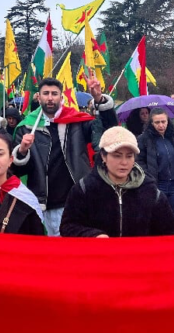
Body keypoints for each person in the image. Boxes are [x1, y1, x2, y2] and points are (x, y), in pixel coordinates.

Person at [12, 73, 118, 236]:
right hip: (42, 205)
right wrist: (22, 151)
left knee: (73, 254)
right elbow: (18, 171)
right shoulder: (26, 127)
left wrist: (99, 100)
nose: (50, 98)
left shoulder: (76, 122)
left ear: (61, 98)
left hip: (74, 202)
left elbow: (108, 129)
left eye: (54, 94)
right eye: (46, 94)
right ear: (38, 97)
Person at [60, 126, 174, 237]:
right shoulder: (84, 189)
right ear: (103, 156)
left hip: (138, 259)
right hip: (100, 259)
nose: (124, 162)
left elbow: (171, 234)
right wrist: (92, 235)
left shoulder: (151, 192)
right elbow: (68, 227)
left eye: (129, 156)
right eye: (117, 155)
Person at [136, 108, 174, 228]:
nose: (161, 125)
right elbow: (139, 161)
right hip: (157, 185)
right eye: (157, 122)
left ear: (168, 121)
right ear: (151, 123)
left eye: (163, 121)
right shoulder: (144, 139)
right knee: (158, 222)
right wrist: (148, 177)